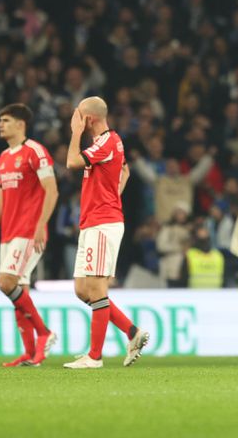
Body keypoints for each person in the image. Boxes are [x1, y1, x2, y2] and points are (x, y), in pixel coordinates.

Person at [63, 97, 149, 369]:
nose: (74, 121)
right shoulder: (109, 144)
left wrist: (75, 134)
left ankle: (95, 357)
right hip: (92, 222)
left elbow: (72, 162)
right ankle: (132, 331)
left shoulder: (105, 142)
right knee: (82, 290)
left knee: (97, 289)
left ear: (88, 119)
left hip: (102, 223)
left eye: (78, 117)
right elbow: (124, 172)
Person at [0, 104, 59, 367]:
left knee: (6, 282)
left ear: (21, 124)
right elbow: (2, 198)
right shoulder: (3, 157)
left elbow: (52, 190)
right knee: (17, 290)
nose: (0, 124)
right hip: (9, 233)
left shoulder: (35, 151)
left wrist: (40, 225)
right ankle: (30, 352)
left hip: (29, 230)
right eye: (0, 120)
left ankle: (45, 333)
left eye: (6, 120)